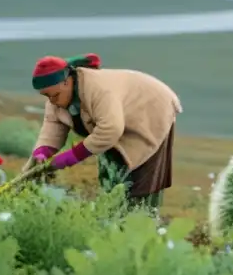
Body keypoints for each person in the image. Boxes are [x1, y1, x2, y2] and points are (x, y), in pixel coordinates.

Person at [26, 53, 182, 209]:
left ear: (66, 82)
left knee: (143, 179)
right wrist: (43, 151)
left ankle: (144, 221)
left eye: (55, 95)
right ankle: (115, 217)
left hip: (151, 109)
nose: (52, 101)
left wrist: (70, 157)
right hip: (118, 118)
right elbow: (52, 126)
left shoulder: (98, 89)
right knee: (112, 176)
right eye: (46, 96)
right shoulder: (55, 98)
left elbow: (110, 130)